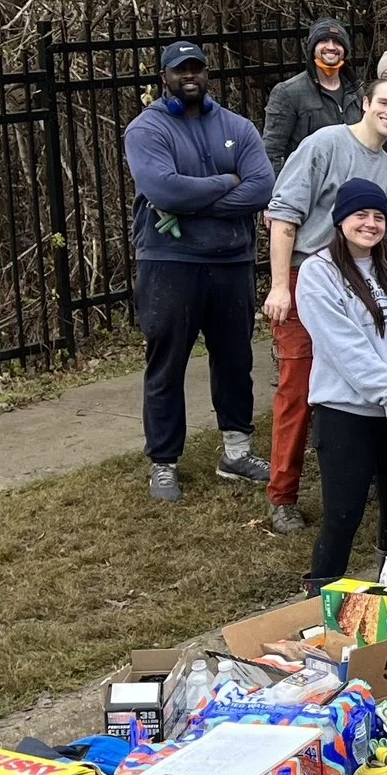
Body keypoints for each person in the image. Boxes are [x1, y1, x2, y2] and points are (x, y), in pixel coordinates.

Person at [261, 78, 387, 534]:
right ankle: (283, 495)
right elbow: (284, 215)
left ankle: (366, 474)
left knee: (367, 369)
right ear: (365, 104)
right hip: (304, 276)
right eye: (385, 103)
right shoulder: (324, 144)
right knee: (299, 385)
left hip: (360, 281)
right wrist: (279, 285)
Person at [123, 42, 275, 503]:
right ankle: (164, 463)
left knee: (235, 360)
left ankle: (236, 452)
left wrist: (198, 202)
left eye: (197, 68)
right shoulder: (147, 128)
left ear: (207, 73)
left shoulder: (236, 126)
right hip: (169, 264)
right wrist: (227, 183)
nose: (190, 76)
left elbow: (262, 187)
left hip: (231, 262)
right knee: (166, 364)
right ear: (164, 76)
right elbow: (165, 191)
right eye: (180, 70)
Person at [297, 179, 387, 591]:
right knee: (343, 511)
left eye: (378, 216)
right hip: (347, 413)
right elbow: (341, 344)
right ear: (341, 219)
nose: (371, 224)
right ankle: (321, 595)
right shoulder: (318, 272)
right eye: (361, 215)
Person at [262, 17, 361, 168]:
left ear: (345, 50)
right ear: (313, 48)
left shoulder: (356, 91)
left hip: (351, 182)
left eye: (337, 42)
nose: (331, 47)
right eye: (323, 41)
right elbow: (272, 152)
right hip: (307, 185)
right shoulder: (288, 93)